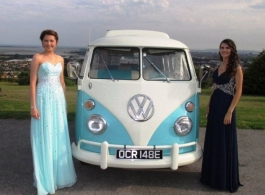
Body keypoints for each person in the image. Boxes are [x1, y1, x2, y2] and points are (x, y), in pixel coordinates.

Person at [30, 29, 76, 195]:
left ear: (56, 42)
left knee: (58, 135)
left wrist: (64, 103)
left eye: (51, 41)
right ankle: (46, 178)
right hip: (43, 99)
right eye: (46, 41)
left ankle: (58, 176)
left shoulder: (60, 59)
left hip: (57, 101)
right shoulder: (38, 58)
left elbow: (62, 82)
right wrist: (33, 106)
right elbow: (33, 82)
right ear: (42, 42)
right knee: (45, 136)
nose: (48, 43)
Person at [200, 39, 243, 193]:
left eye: (227, 48)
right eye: (222, 48)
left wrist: (230, 111)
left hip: (226, 106)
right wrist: (209, 105)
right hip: (215, 105)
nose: (224, 50)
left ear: (232, 50)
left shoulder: (236, 68)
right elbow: (215, 88)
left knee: (224, 140)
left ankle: (223, 178)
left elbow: (238, 92)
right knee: (214, 139)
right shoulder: (218, 67)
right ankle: (211, 176)